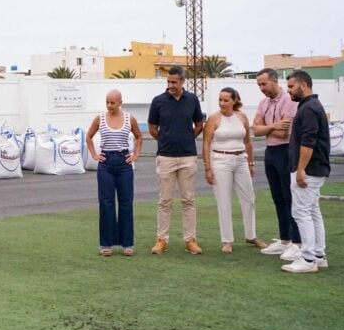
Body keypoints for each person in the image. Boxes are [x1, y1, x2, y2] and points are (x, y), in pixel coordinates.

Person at [147, 66, 205, 255]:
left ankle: (190, 240)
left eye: (174, 82)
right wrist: (166, 140)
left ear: (182, 81)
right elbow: (153, 128)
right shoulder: (158, 101)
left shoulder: (192, 100)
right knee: (165, 200)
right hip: (165, 157)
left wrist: (187, 138)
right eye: (168, 82)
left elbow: (199, 125)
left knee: (188, 200)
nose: (170, 85)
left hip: (188, 156)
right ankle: (162, 239)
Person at [202, 88, 266, 253]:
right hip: (220, 160)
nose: (222, 103)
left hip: (241, 160)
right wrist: (208, 168)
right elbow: (206, 144)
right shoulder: (214, 119)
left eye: (226, 100)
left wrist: (251, 163)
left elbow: (248, 142)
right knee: (224, 201)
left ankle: (251, 235)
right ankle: (227, 240)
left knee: (249, 198)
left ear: (235, 100)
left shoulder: (242, 117)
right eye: (220, 100)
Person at [282, 70, 331, 273]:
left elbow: (308, 141)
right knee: (312, 211)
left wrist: (301, 169)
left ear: (303, 85)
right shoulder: (310, 106)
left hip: (309, 169)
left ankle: (309, 258)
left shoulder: (309, 109)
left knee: (302, 212)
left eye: (291, 86)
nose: (288, 90)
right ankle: (318, 255)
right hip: (314, 168)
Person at [86, 89, 143, 256]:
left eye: (112, 102)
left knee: (126, 202)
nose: (109, 105)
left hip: (124, 163)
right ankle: (106, 243)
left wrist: (136, 154)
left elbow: (139, 137)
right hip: (106, 164)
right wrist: (94, 154)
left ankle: (127, 243)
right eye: (107, 102)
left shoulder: (129, 118)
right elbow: (89, 136)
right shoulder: (100, 119)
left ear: (120, 103)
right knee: (106, 203)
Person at [253, 68, 302, 260]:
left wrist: (265, 127)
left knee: (289, 196)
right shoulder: (263, 103)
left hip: (286, 151)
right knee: (277, 197)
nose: (261, 88)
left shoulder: (288, 101)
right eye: (259, 85)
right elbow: (255, 130)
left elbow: (284, 133)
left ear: (274, 81)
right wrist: (272, 126)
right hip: (270, 152)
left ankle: (296, 242)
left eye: (264, 84)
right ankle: (284, 239)